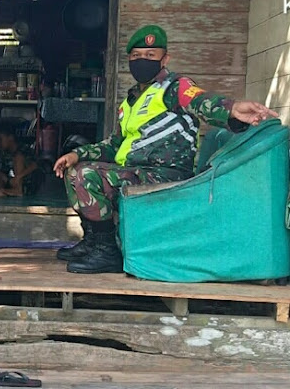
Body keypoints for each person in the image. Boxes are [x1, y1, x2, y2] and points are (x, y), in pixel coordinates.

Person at [53, 25, 278, 274]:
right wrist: (78, 154)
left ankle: (108, 253)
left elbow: (200, 101)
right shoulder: (131, 101)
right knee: (75, 169)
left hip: (165, 174)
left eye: (150, 56)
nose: (142, 61)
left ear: (165, 58)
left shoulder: (174, 87)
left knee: (87, 175)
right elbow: (115, 144)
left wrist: (232, 109)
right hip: (136, 171)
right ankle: (94, 242)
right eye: (137, 56)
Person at [0, 128, 44, 198]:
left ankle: (18, 191)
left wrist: (19, 176)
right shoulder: (5, 153)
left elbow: (35, 165)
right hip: (14, 180)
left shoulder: (23, 149)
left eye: (0, 139)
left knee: (18, 158)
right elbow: (4, 171)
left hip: (29, 182)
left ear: (10, 138)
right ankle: (2, 191)